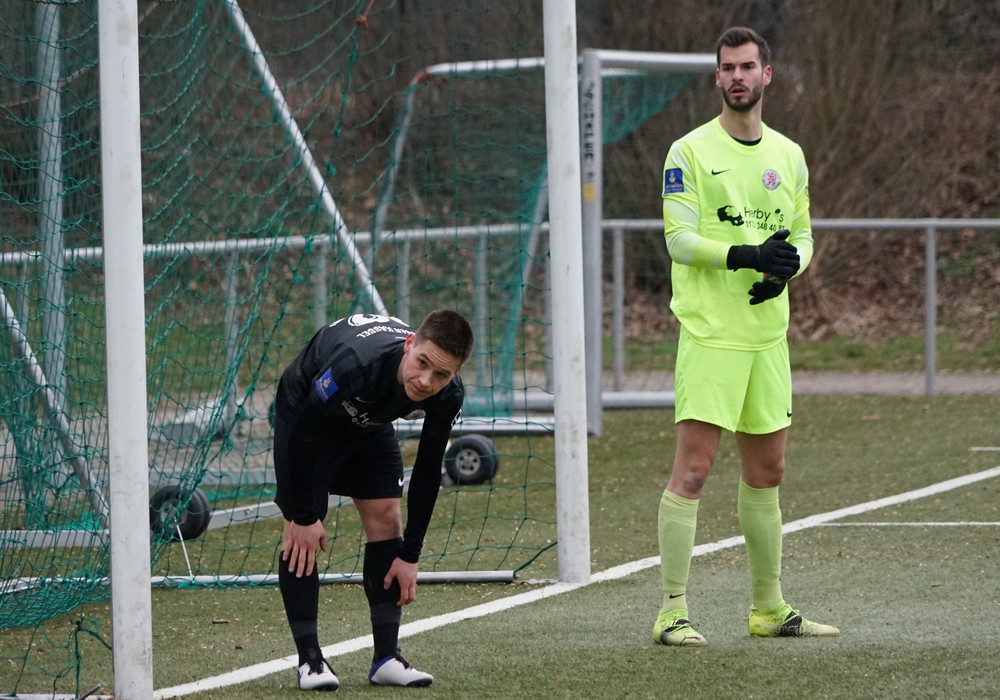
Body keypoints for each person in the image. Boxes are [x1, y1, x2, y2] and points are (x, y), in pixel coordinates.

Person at [653, 26, 839, 647]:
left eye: (748, 66)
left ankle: (768, 608)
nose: (738, 76)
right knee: (694, 471)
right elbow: (679, 240)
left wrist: (787, 268)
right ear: (717, 78)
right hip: (711, 335)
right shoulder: (688, 151)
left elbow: (803, 236)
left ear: (767, 75)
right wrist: (745, 255)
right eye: (728, 67)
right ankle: (672, 612)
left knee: (769, 471)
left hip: (768, 338)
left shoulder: (789, 154)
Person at [273, 310, 473, 689]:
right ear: (409, 344)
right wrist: (302, 515)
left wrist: (410, 554)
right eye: (422, 363)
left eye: (441, 374)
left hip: (367, 419)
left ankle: (386, 659)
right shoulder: (356, 363)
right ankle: (310, 661)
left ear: (456, 372)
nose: (426, 381)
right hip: (306, 416)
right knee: (302, 533)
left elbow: (428, 468)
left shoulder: (449, 393)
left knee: (387, 517)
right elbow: (303, 430)